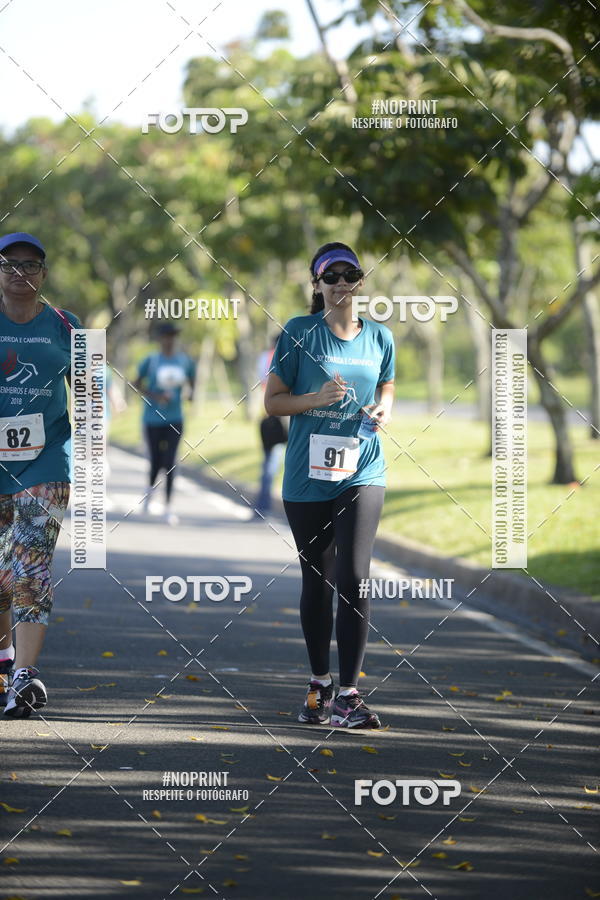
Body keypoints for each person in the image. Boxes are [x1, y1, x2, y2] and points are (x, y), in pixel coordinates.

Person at [265, 241, 395, 728]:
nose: (342, 282)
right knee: (317, 580)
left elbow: (387, 382)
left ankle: (349, 694)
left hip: (363, 468)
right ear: (316, 285)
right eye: (331, 275)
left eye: (350, 274)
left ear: (361, 281)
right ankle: (319, 684)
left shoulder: (380, 336)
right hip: (307, 475)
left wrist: (386, 408)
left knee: (356, 575)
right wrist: (314, 398)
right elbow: (273, 403)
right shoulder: (299, 333)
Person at [0, 232, 81, 718]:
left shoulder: (66, 328)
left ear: (43, 275)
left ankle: (25, 675)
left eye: (30, 265)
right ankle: (5, 659)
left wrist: (92, 464)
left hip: (46, 464)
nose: (19, 273)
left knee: (29, 566)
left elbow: (91, 398)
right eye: (9, 264)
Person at [134, 322, 195, 526]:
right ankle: (149, 493)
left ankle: (168, 506)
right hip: (152, 419)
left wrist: (190, 396)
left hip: (175, 418)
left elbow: (192, 381)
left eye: (173, 336)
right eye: (166, 336)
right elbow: (136, 383)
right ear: (160, 338)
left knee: (170, 462)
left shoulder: (184, 361)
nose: (170, 340)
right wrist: (156, 396)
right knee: (156, 461)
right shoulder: (151, 361)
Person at [253, 339, 288, 519]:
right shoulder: (281, 358)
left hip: (272, 416)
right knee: (273, 464)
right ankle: (263, 506)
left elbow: (262, 386)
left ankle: (262, 506)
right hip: (281, 418)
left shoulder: (265, 358)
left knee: (269, 465)